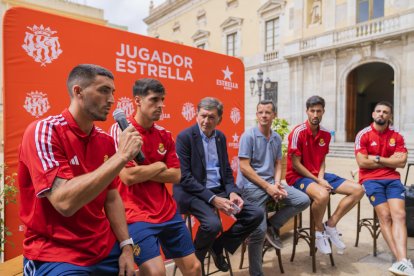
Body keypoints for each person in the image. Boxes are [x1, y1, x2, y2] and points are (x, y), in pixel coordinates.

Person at [19, 64, 142, 275]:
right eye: (103, 90)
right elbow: (64, 202)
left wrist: (126, 247)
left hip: (103, 248)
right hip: (55, 252)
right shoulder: (44, 131)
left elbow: (111, 197)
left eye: (112, 92)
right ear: (78, 92)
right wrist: (121, 157)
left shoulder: (103, 140)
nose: (111, 100)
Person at [109, 78, 201, 275]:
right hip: (135, 214)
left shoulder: (164, 134)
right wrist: (160, 165)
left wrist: (147, 170)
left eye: (162, 100)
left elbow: (176, 175)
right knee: (156, 272)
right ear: (138, 100)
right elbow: (128, 176)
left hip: (167, 212)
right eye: (154, 100)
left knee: (194, 267)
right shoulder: (121, 130)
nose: (160, 105)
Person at [173, 97, 263, 273]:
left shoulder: (220, 137)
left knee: (256, 214)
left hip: (218, 189)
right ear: (196, 115)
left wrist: (232, 193)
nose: (206, 121)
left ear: (219, 119)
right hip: (192, 192)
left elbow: (227, 172)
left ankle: (218, 246)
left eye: (211, 117)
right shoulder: (185, 137)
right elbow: (185, 178)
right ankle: (195, 262)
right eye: (203, 116)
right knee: (213, 225)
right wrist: (213, 199)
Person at [237, 100, 310, 276]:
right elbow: (244, 168)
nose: (264, 115)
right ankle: (257, 273)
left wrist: (277, 183)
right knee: (258, 232)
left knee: (303, 199)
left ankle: (273, 224)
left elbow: (278, 164)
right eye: (260, 112)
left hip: (271, 183)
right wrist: (268, 187)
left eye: (268, 112)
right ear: (256, 115)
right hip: (251, 186)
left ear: (274, 115)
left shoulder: (276, 137)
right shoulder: (248, 136)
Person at [286, 95, 364, 255]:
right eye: (312, 111)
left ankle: (331, 224)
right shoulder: (297, 132)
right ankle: (318, 230)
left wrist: (321, 177)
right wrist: (318, 180)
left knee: (358, 190)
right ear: (307, 111)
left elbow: (321, 160)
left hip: (318, 175)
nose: (315, 114)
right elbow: (296, 164)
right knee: (322, 196)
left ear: (323, 112)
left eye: (318, 111)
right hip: (297, 176)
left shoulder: (326, 134)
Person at [355, 101, 414, 276]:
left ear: (390, 116)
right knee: (385, 215)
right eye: (378, 111)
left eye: (385, 112)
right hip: (371, 180)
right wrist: (390, 161)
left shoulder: (397, 136)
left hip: (393, 180)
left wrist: (378, 158)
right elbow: (362, 162)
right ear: (373, 114)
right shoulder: (363, 135)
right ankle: (401, 260)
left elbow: (401, 162)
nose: (381, 114)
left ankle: (402, 261)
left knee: (400, 215)